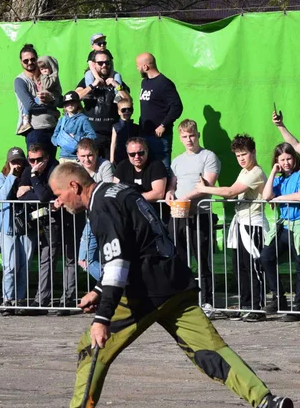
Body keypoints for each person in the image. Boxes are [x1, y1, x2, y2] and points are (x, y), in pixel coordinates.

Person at [39, 162, 295, 408]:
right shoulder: (119, 191)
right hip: (175, 282)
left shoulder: (101, 207)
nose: (58, 202)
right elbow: (137, 244)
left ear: (74, 186)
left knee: (91, 349)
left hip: (145, 292)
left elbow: (118, 261)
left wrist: (103, 316)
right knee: (212, 353)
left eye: (58, 194)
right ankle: (267, 404)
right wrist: (99, 290)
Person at [195, 134, 268, 320]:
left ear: (253, 152)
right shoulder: (244, 172)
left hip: (253, 225)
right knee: (240, 267)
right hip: (241, 223)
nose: (241, 159)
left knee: (252, 267)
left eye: (244, 154)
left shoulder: (256, 172)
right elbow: (232, 192)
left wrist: (205, 189)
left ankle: (257, 308)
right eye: (237, 155)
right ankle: (245, 305)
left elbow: (230, 192)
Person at [167, 120, 221, 317]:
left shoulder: (209, 156)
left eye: (191, 135)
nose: (189, 140)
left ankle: (207, 301)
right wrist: (171, 193)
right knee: (179, 259)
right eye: (184, 136)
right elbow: (173, 184)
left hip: (200, 214)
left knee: (202, 260)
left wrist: (185, 198)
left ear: (197, 135)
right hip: (179, 214)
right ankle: (184, 299)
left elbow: (207, 185)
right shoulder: (177, 160)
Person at [17, 144, 79, 312]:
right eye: (31, 160)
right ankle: (42, 300)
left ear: (46, 158)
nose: (35, 164)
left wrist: (35, 182)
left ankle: (68, 299)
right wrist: (38, 190)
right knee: (47, 258)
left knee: (69, 258)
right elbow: (20, 196)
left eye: (38, 160)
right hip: (48, 219)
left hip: (67, 217)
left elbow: (43, 196)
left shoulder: (55, 169)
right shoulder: (28, 170)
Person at [260, 142, 300, 319]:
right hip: (284, 225)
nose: (286, 163)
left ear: (295, 158)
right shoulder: (277, 178)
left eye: (289, 158)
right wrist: (273, 172)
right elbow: (267, 196)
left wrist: (279, 198)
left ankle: (299, 305)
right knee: (266, 256)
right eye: (282, 160)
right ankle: (278, 297)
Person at [0, 147, 33, 312]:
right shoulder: (1, 177)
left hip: (26, 225)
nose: (17, 165)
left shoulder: (30, 177)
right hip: (7, 226)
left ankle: (20, 299)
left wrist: (29, 186)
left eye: (20, 161)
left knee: (25, 264)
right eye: (13, 161)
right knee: (10, 265)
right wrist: (11, 175)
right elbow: (3, 196)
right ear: (8, 162)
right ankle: (7, 299)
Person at [74, 139, 116, 282]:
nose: (87, 159)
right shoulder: (77, 169)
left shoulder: (105, 165)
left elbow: (106, 191)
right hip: (91, 217)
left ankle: (116, 286)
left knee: (85, 260)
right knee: (88, 260)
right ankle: (114, 286)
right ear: (78, 156)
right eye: (83, 156)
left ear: (96, 153)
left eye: (90, 155)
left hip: (105, 216)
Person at [135, 52, 182, 170]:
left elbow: (177, 107)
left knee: (161, 168)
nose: (137, 68)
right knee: (147, 169)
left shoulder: (164, 83)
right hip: (145, 135)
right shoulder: (144, 82)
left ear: (145, 67)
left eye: (138, 65)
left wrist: (163, 125)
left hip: (160, 138)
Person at [76, 49, 126, 157]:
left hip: (112, 134)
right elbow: (76, 97)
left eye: (107, 63)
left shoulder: (116, 79)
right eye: (100, 63)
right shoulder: (87, 79)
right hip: (92, 134)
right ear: (94, 65)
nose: (104, 65)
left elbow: (128, 99)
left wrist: (115, 84)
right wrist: (92, 85)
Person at [13, 44, 60, 156]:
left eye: (32, 59)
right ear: (21, 62)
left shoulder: (46, 77)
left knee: (51, 165)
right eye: (26, 60)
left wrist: (52, 99)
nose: (29, 62)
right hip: (34, 130)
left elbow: (60, 100)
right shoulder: (20, 81)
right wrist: (51, 111)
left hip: (52, 127)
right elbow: (29, 105)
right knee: (37, 166)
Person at [114, 137, 167, 202]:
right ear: (127, 154)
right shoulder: (122, 166)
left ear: (147, 151)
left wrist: (131, 197)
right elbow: (114, 191)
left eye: (140, 153)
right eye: (132, 154)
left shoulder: (156, 165)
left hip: (151, 209)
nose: (137, 157)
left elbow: (158, 194)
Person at [51, 92, 96, 162]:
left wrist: (76, 138)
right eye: (67, 103)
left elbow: (92, 136)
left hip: (76, 157)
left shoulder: (83, 119)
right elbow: (54, 136)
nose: (70, 105)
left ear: (78, 103)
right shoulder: (62, 119)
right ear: (64, 105)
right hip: (62, 157)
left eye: (72, 102)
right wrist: (59, 142)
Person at [110, 92, 139, 166]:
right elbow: (113, 144)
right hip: (119, 156)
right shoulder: (116, 126)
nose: (127, 112)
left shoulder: (136, 127)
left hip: (133, 156)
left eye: (129, 109)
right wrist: (112, 159)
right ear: (119, 112)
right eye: (123, 110)